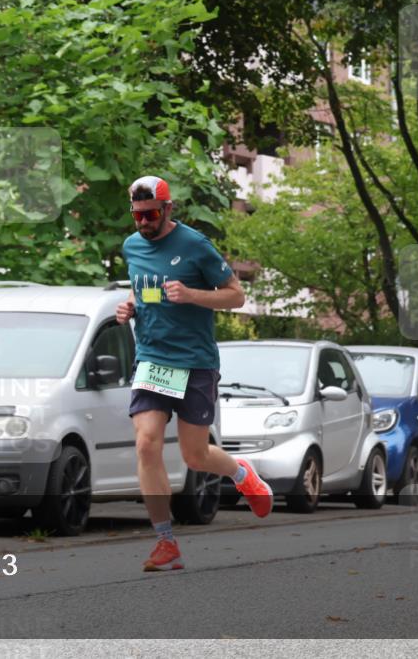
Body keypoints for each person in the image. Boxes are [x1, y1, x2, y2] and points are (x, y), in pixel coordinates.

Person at [116, 175, 272, 572]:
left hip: (195, 362)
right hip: (152, 359)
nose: (143, 223)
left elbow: (236, 295)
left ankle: (242, 472)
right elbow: (142, 286)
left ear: (169, 210)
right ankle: (165, 541)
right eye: (137, 216)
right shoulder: (132, 246)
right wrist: (129, 305)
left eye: (151, 214)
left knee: (194, 455)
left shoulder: (195, 246)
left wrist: (192, 295)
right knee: (146, 443)